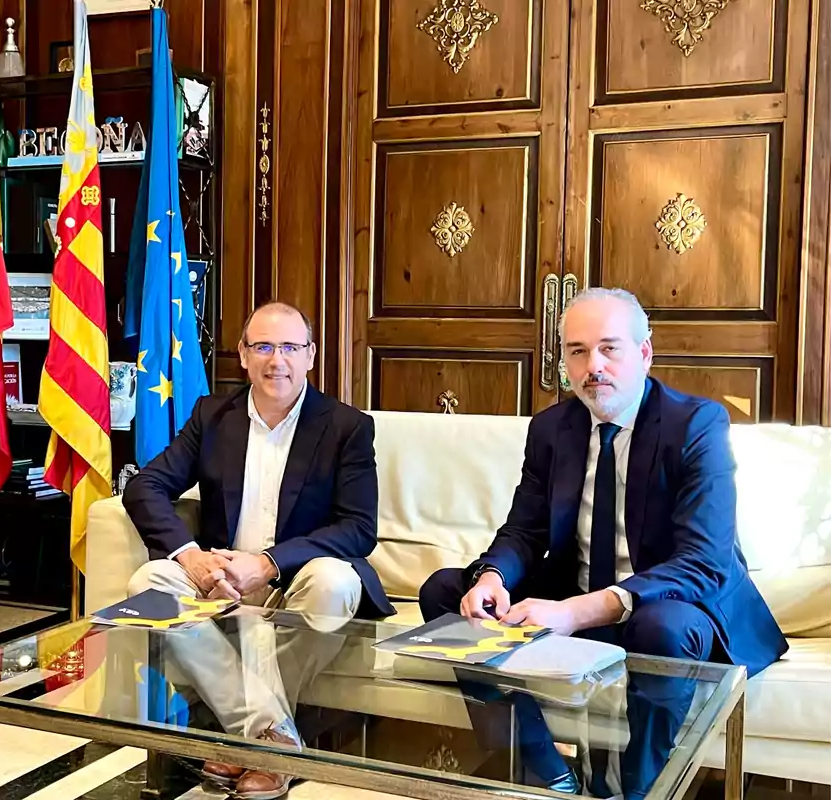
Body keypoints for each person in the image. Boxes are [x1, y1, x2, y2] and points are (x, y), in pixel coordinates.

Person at [418, 287, 787, 798]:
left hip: (669, 604)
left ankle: (640, 787)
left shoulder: (696, 424)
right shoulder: (553, 428)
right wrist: (493, 577)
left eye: (609, 348)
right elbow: (524, 529)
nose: (594, 366)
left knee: (662, 626)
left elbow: (705, 560)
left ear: (644, 353)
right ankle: (545, 772)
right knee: (444, 593)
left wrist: (576, 613)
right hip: (574, 596)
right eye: (577, 351)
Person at [123, 301, 395, 800]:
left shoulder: (346, 427)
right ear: (244, 356)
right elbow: (145, 488)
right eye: (264, 347)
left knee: (335, 582)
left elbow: (358, 529)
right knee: (148, 585)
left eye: (291, 347)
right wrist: (191, 557)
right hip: (220, 580)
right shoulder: (212, 415)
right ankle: (270, 740)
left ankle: (243, 743)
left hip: (297, 581)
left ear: (311, 356)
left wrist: (268, 563)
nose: (278, 360)